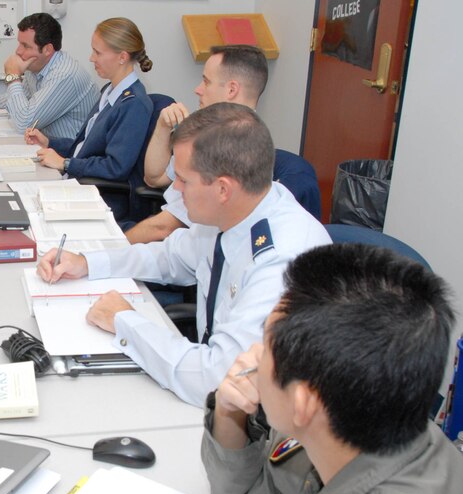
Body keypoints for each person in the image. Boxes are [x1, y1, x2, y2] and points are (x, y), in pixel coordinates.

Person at [15, 243, 463, 494]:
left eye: (267, 343)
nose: (252, 355)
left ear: (303, 403)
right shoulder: (380, 422)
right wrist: (228, 414)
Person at [37, 103, 330, 407]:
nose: (175, 188)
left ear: (223, 189)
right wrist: (87, 262)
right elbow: (170, 257)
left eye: (183, 180)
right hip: (210, 383)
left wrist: (125, 322)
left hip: (262, 419)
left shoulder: (280, 261)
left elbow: (219, 378)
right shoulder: (235, 213)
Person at [126, 45, 269, 245]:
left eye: (206, 81)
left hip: (176, 242)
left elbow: (164, 228)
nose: (198, 89)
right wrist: (162, 127)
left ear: (231, 89)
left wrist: (107, 251)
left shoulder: (229, 146)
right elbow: (154, 178)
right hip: (169, 236)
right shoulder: (209, 129)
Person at [25, 17, 153, 220]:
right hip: (79, 184)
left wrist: (66, 164)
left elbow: (115, 168)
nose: (92, 58)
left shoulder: (133, 104)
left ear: (122, 56)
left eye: (98, 52)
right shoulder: (110, 91)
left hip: (101, 199)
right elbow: (85, 147)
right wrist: (49, 142)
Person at [0, 13, 98, 139]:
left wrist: (13, 77)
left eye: (25, 46)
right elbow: (22, 98)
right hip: (47, 145)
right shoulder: (37, 65)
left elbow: (24, 123)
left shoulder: (64, 75)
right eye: (19, 43)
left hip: (70, 157)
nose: (18, 51)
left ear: (47, 49)